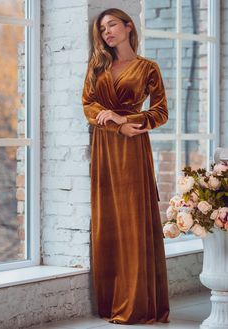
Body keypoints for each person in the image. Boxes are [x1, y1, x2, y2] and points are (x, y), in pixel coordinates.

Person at [82, 7, 170, 325]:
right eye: (102, 29)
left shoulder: (148, 67)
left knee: (133, 219)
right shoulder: (98, 65)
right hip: (105, 146)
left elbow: (160, 112)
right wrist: (111, 122)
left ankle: (137, 303)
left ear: (128, 27)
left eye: (113, 26)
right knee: (108, 220)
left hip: (133, 146)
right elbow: (88, 103)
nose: (107, 33)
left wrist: (127, 120)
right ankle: (110, 300)